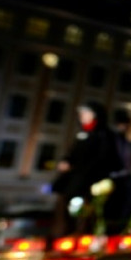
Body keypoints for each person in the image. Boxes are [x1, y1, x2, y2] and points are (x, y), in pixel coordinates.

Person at [50, 101, 123, 238]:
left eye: (85, 113)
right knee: (63, 203)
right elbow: (73, 153)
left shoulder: (104, 135)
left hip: (92, 180)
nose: (81, 116)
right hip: (75, 179)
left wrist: (85, 170)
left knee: (88, 209)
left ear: (95, 115)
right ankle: (62, 235)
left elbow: (105, 158)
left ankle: (83, 236)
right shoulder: (83, 133)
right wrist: (66, 162)